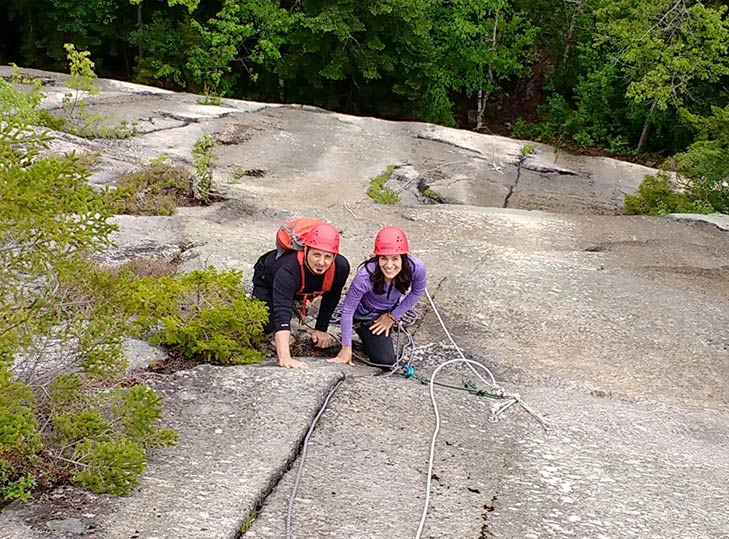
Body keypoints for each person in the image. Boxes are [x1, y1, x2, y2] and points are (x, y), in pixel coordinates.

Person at [252, 222, 350, 369]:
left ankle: (296, 301)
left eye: (327, 257)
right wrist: (285, 357)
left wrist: (321, 329)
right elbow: (282, 314)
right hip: (267, 280)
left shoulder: (341, 267)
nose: (321, 262)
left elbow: (332, 297)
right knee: (265, 326)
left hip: (300, 287)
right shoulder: (288, 270)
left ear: (334, 256)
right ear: (306, 251)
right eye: (316, 254)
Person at [328, 226, 426, 367]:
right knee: (385, 360)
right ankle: (362, 331)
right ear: (377, 258)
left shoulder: (416, 268)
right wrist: (346, 348)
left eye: (395, 259)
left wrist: (393, 316)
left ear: (403, 258)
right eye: (383, 259)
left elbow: (417, 292)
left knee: (387, 360)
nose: (389, 265)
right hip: (364, 315)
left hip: (389, 311)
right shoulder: (365, 277)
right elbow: (348, 309)